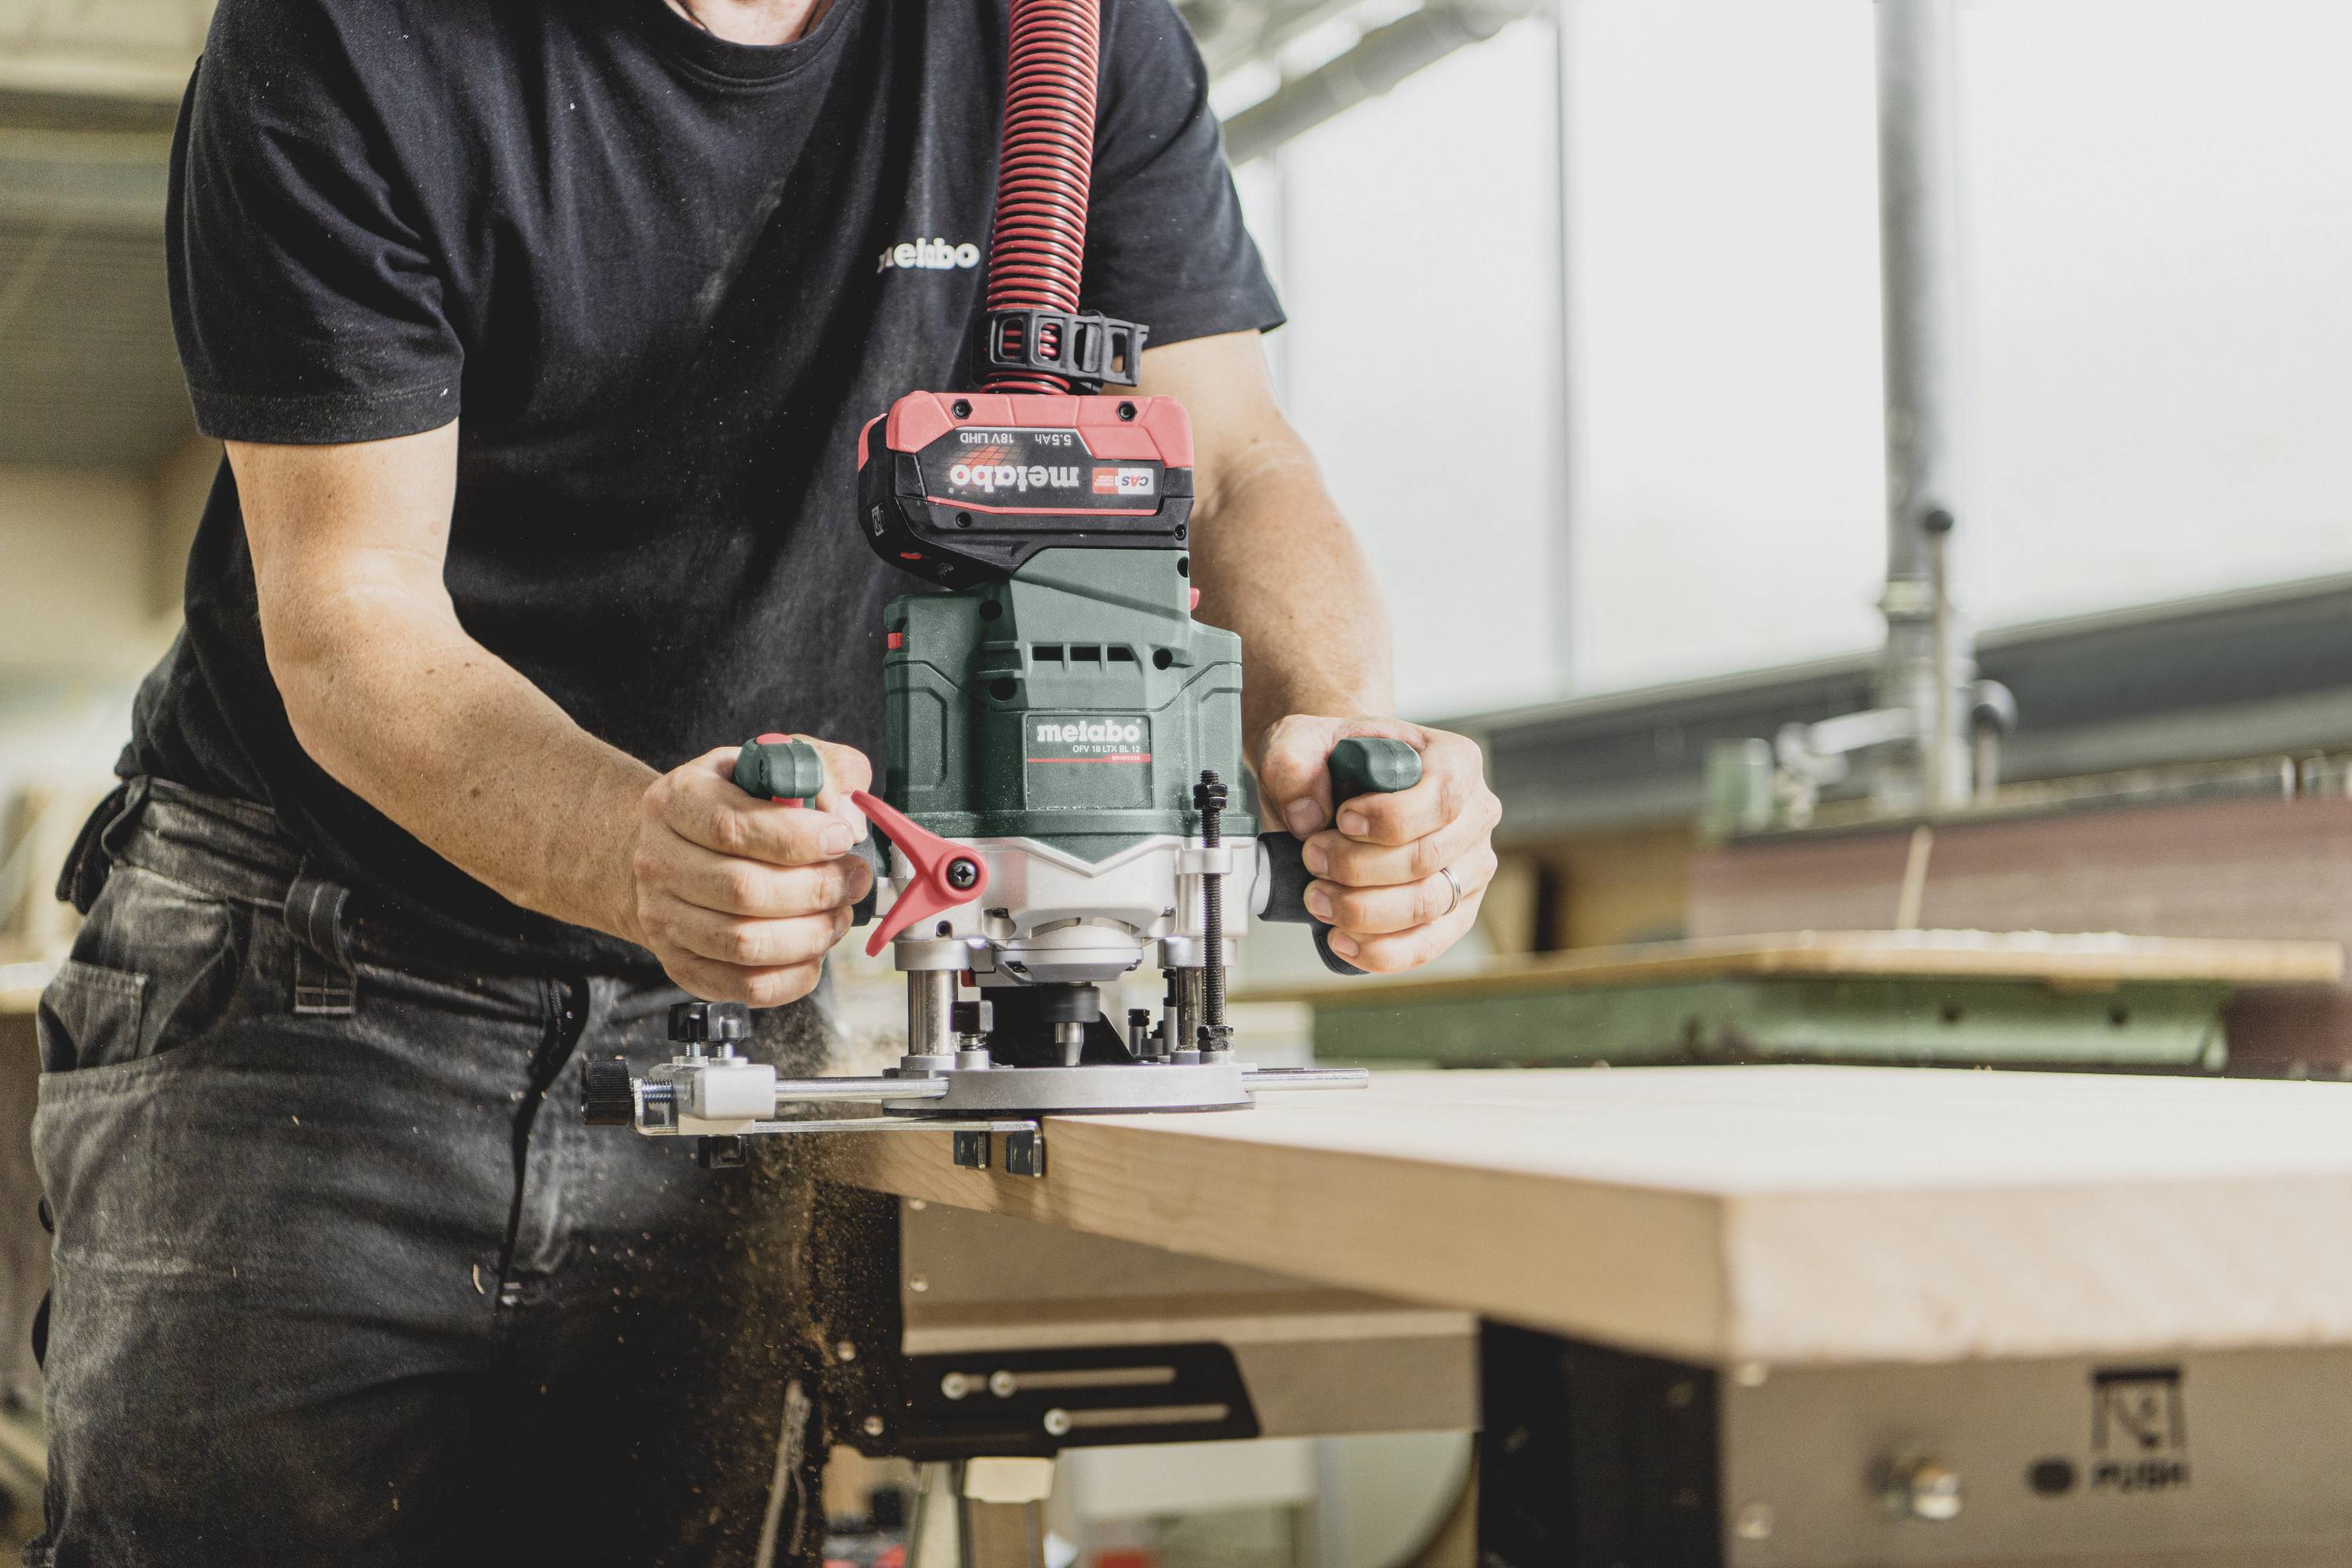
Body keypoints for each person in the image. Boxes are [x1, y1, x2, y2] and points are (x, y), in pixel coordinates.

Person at [27, 0, 1504, 1561]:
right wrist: (634, 847)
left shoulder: (1066, 32)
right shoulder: (353, 35)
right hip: (313, 980)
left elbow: (1232, 461)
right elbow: (350, 618)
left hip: (730, 993)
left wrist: (1345, 742)